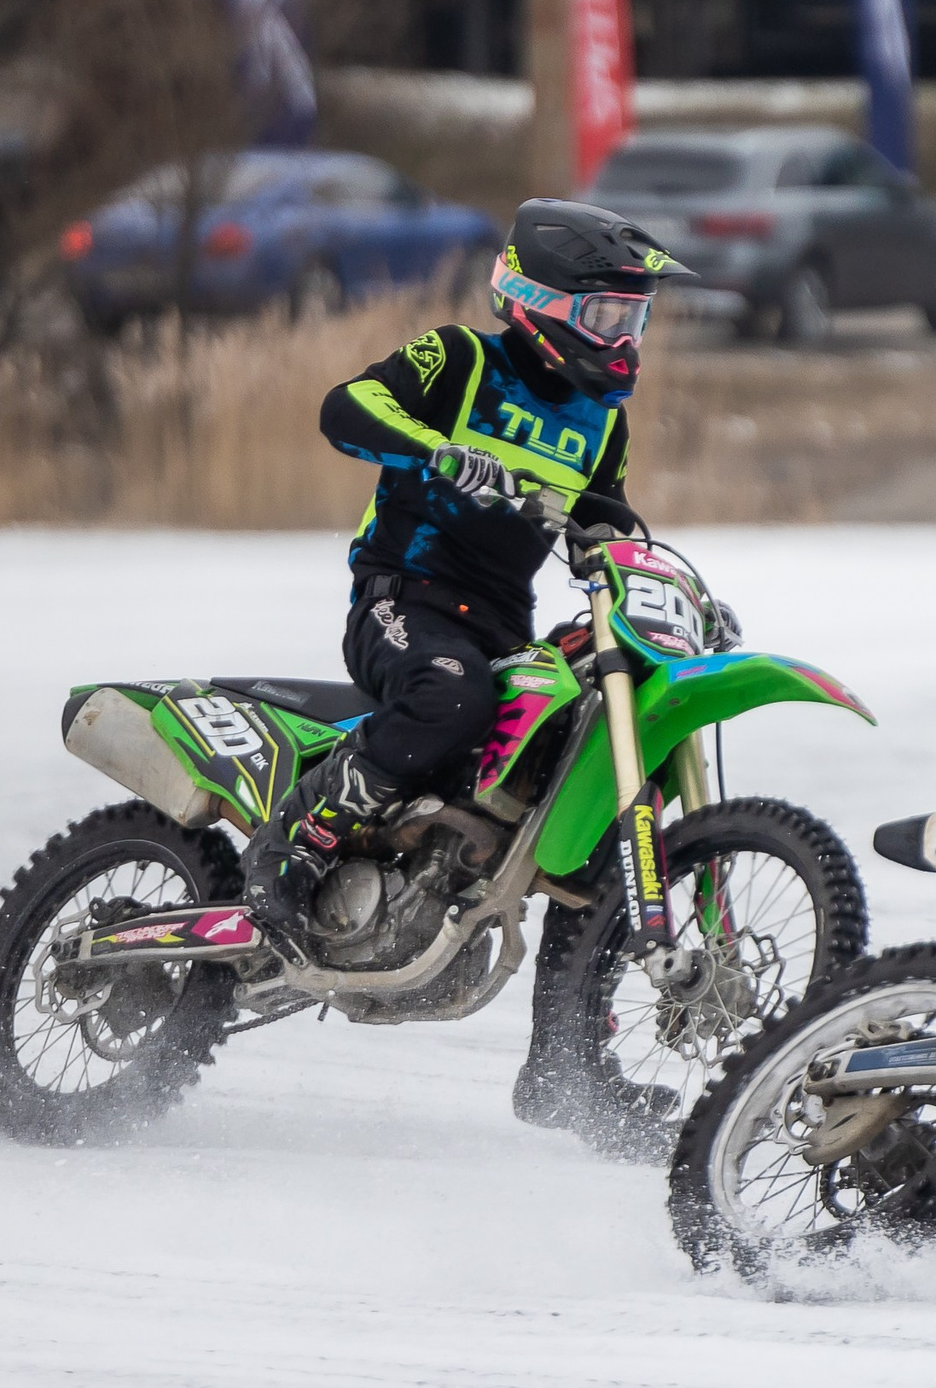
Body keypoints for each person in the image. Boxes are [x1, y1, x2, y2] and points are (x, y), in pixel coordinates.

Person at [240, 199, 691, 955]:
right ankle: (292, 843)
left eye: (633, 321)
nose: (623, 339)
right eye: (610, 315)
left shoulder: (603, 421)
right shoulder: (461, 359)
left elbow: (607, 520)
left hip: (500, 623)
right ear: (544, 304)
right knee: (452, 694)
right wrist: (435, 450)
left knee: (572, 747)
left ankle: (565, 1049)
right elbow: (347, 407)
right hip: (403, 599)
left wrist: (629, 559)